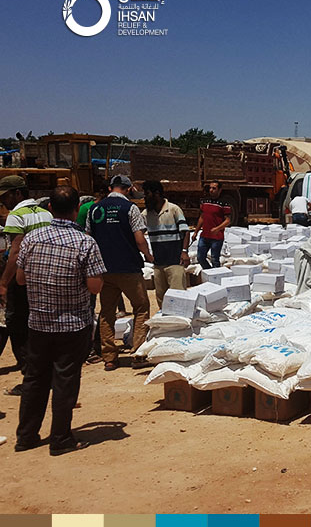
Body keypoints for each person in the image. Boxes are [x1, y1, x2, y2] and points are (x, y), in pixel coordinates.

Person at [14, 186, 105, 455]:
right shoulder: (85, 242)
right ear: (77, 209)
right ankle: (60, 438)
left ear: (50, 208)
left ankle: (26, 436)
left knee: (34, 379)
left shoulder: (32, 238)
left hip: (38, 323)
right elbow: (95, 287)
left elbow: (20, 279)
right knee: (65, 380)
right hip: (72, 324)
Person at [86, 175, 153, 371]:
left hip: (104, 269)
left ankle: (109, 357)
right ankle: (139, 354)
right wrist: (148, 255)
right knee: (141, 307)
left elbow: (89, 238)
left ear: (110, 188)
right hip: (128, 268)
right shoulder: (130, 208)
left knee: (107, 312)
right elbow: (139, 239)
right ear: (129, 188)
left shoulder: (95, 208)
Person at [0, 175, 52, 396]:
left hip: (22, 280)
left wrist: (3, 283)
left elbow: (15, 253)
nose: (4, 202)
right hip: (45, 277)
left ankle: (30, 377)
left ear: (18, 193)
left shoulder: (16, 216)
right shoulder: (46, 213)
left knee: (16, 325)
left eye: (6, 196)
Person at [143, 181, 191, 310]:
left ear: (157, 193)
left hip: (175, 262)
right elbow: (138, 233)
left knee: (178, 297)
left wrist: (184, 251)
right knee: (161, 298)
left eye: (147, 194)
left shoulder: (174, 209)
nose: (144, 197)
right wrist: (146, 253)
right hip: (158, 264)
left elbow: (185, 232)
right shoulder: (146, 214)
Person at [195, 181, 231, 269]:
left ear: (220, 190)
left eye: (214, 188)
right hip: (204, 236)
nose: (211, 190)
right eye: (210, 188)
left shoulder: (224, 203)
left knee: (215, 259)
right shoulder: (205, 201)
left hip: (216, 237)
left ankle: (216, 277)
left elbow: (228, 220)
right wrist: (196, 232)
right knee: (200, 258)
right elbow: (202, 217)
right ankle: (210, 272)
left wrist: (217, 229)